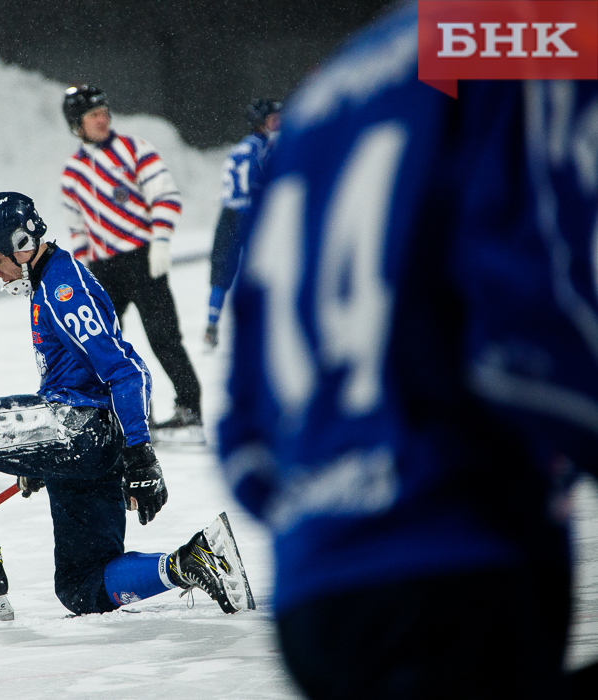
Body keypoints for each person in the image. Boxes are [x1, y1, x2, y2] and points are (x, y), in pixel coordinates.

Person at [217, 5, 598, 699]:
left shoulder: (332, 87)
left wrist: (330, 497)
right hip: (457, 556)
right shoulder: (529, 36)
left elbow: (245, 418)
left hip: (315, 590)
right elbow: (533, 317)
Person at [0, 191, 255, 623]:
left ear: (22, 244)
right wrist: (36, 454)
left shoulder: (63, 287)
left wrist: (141, 455)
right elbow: (73, 375)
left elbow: (128, 371)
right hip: (84, 439)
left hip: (81, 428)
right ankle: (194, 560)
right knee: (82, 586)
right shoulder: (49, 281)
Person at [60, 85, 204, 445]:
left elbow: (165, 196)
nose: (102, 118)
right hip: (104, 269)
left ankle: (190, 409)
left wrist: (160, 241)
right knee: (107, 343)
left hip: (143, 259)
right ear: (76, 124)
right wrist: (82, 271)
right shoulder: (74, 173)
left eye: (104, 111)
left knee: (164, 337)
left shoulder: (134, 149)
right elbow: (77, 227)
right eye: (93, 115)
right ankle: (133, 411)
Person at [203, 98, 281, 349]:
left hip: (228, 214)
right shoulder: (263, 147)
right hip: (249, 214)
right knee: (262, 269)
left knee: (222, 270)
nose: (278, 122)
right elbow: (257, 184)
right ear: (260, 122)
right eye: (272, 118)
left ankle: (211, 324)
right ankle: (262, 326)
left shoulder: (242, 147)